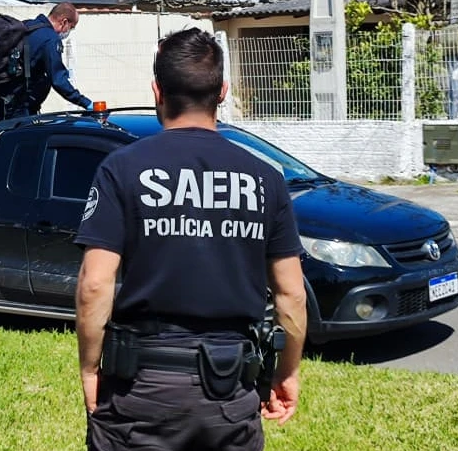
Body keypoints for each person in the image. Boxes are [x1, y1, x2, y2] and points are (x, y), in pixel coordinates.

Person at [74, 28, 308, 450]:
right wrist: (286, 373)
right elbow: (291, 295)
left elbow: (95, 284)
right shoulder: (265, 179)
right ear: (223, 91)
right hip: (230, 395)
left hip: (139, 394)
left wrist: (90, 369)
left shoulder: (121, 169)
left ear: (157, 91)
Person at [0, 2, 93, 120]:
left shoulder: (27, 25)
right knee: (23, 137)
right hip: (16, 102)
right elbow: (58, 79)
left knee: (11, 133)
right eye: (71, 27)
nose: (69, 31)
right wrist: (85, 102)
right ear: (64, 22)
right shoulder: (50, 39)